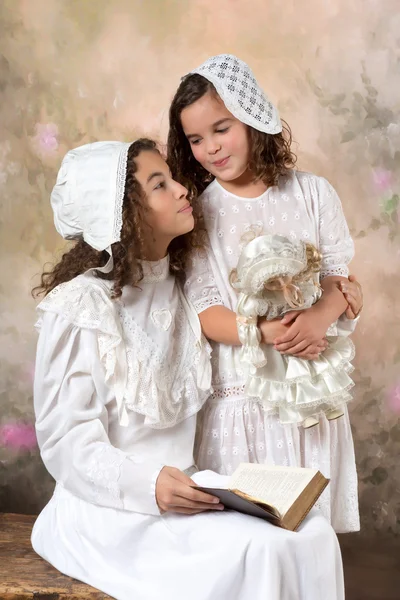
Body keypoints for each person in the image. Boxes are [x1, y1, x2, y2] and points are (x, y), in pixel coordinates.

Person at [31, 139, 345, 600]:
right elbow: (64, 442)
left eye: (173, 178)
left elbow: (273, 314)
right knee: (263, 551)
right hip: (109, 511)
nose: (183, 190)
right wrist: (147, 484)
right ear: (123, 213)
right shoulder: (80, 304)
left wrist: (337, 300)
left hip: (189, 489)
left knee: (313, 531)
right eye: (160, 185)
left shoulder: (185, 291)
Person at [167, 53, 363, 532]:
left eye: (221, 128)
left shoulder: (313, 193)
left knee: (310, 533)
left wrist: (320, 317)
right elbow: (205, 310)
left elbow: (344, 281)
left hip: (309, 391)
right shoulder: (200, 213)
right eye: (195, 139)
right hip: (244, 391)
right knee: (250, 537)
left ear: (252, 116)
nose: (210, 147)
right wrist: (265, 332)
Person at [231, 231, 355, 428]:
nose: (280, 284)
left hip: (309, 333)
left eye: (282, 278)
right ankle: (304, 413)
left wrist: (316, 317)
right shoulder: (264, 299)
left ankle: (331, 404)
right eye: (272, 282)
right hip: (282, 343)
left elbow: (320, 298)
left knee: (319, 369)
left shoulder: (302, 288)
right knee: (293, 378)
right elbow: (249, 318)